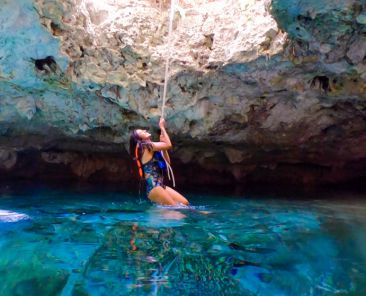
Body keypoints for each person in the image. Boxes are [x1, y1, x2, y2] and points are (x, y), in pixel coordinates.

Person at [129, 118, 189, 206]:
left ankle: (158, 214)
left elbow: (168, 162)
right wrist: (162, 127)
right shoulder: (146, 147)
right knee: (175, 208)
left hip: (159, 185)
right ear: (140, 139)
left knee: (184, 203)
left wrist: (163, 147)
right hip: (154, 187)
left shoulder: (150, 147)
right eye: (142, 132)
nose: (145, 130)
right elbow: (169, 145)